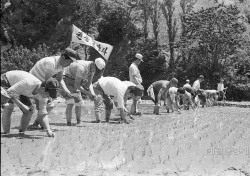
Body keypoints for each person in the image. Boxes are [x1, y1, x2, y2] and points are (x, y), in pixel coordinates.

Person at [28, 47, 79, 129]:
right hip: (32, 82)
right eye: (69, 61)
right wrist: (49, 95)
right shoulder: (51, 62)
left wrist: (66, 91)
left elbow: (60, 79)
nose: (70, 64)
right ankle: (37, 124)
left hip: (41, 83)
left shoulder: (62, 66)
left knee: (49, 105)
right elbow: (48, 81)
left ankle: (37, 123)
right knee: (46, 104)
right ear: (63, 57)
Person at [1, 70, 60, 137]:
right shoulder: (28, 83)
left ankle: (21, 133)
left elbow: (43, 113)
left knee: (30, 110)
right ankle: (6, 134)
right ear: (43, 89)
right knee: (9, 106)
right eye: (48, 95)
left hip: (20, 90)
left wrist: (48, 130)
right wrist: (22, 106)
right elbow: (9, 93)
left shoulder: (43, 96)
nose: (48, 97)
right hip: (6, 81)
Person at [61, 58, 106, 126]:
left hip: (75, 79)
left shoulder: (92, 69)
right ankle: (69, 123)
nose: (95, 71)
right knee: (70, 101)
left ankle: (79, 122)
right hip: (67, 77)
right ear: (93, 64)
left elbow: (89, 83)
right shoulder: (82, 67)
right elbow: (76, 85)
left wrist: (93, 94)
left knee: (79, 102)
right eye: (96, 69)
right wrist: (87, 93)